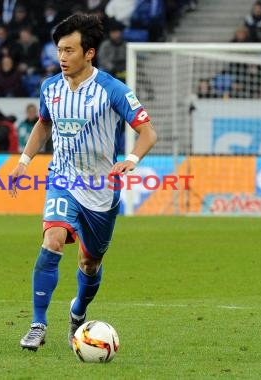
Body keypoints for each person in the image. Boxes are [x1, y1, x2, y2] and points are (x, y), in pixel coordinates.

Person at [9, 14, 157, 351]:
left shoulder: (112, 89)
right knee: (53, 240)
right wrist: (24, 161)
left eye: (69, 50)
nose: (62, 57)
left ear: (88, 53)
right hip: (62, 179)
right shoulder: (51, 87)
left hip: (102, 192)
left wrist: (131, 160)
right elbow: (43, 125)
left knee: (90, 264)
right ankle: (37, 323)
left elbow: (148, 132)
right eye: (59, 50)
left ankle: (78, 311)